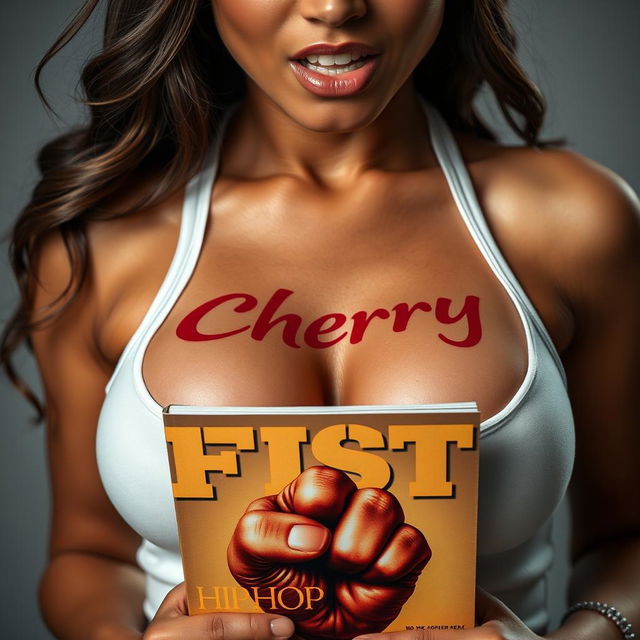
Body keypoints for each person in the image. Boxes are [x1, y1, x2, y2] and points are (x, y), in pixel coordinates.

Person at [2, 1, 639, 639]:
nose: (334, 7)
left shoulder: (576, 222)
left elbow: (625, 541)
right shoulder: (103, 243)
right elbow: (88, 556)